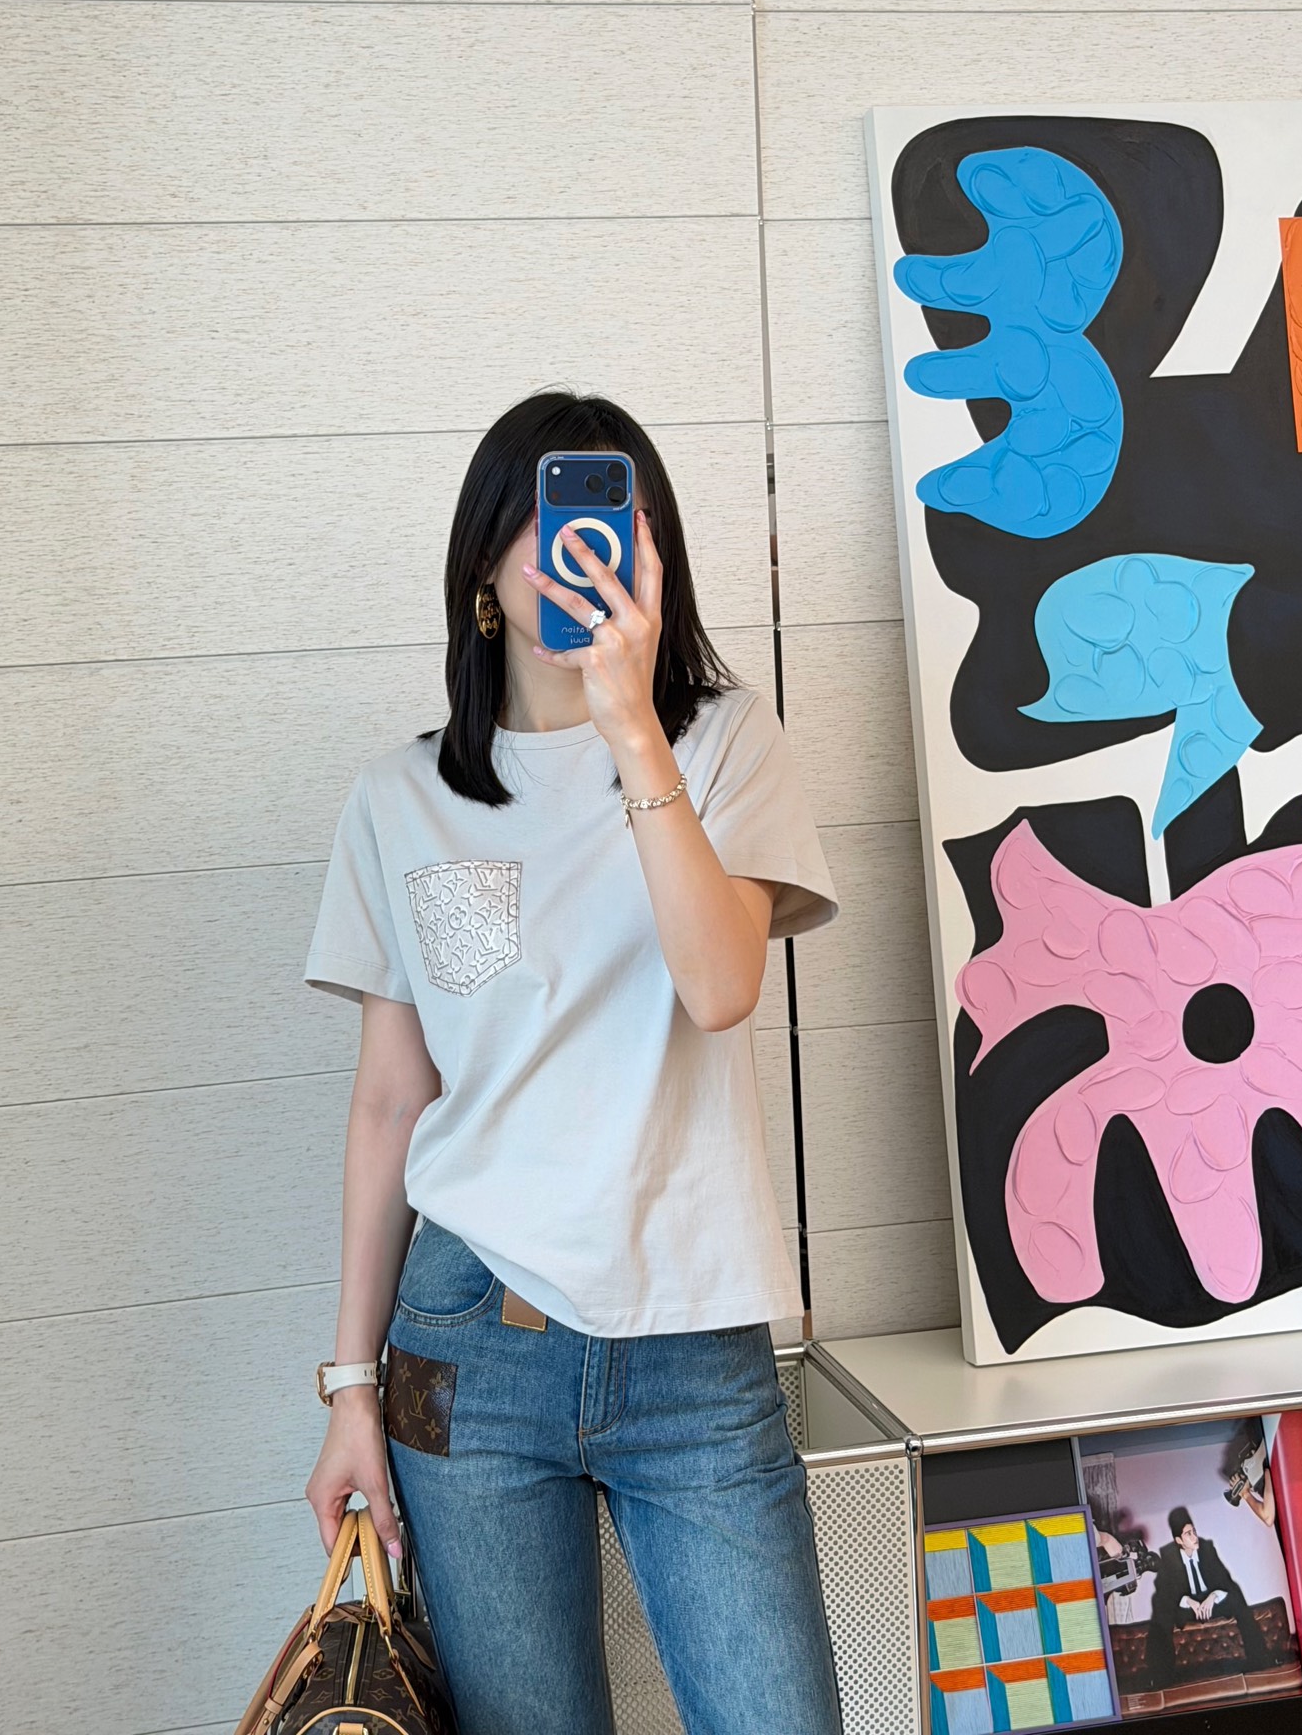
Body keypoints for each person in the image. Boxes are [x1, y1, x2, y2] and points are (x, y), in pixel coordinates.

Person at [301, 391, 845, 1735]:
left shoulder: (723, 743)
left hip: (695, 1344)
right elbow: (390, 1102)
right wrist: (349, 1391)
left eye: (611, 524)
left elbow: (721, 988)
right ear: (483, 568)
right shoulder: (401, 798)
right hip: (468, 1348)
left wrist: (631, 727)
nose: (577, 554)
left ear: (655, 556)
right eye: (545, 525)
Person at [1146, 1506, 1270, 1689]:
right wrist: (1189, 1601)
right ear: (1179, 1540)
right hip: (1187, 1609)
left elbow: (1226, 1582)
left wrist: (1212, 1597)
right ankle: (1161, 1677)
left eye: (1194, 1531)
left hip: (1211, 1605)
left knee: (1236, 1596)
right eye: (1188, 1534)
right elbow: (1165, 1594)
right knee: (1160, 1607)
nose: (1194, 1537)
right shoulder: (1168, 1556)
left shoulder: (1207, 1548)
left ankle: (1259, 1660)